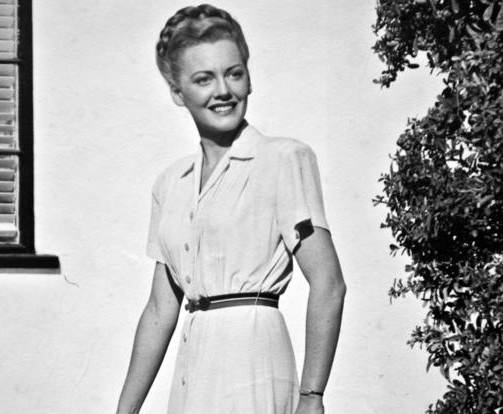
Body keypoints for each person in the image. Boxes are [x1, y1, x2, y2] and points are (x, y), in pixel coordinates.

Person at [116, 4, 346, 414]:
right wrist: (125, 410)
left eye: (234, 73)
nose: (223, 91)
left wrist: (312, 396)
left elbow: (329, 284)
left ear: (249, 77)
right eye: (204, 79)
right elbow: (159, 309)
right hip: (194, 361)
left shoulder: (282, 159)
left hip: (254, 358)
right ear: (177, 91)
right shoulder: (171, 185)